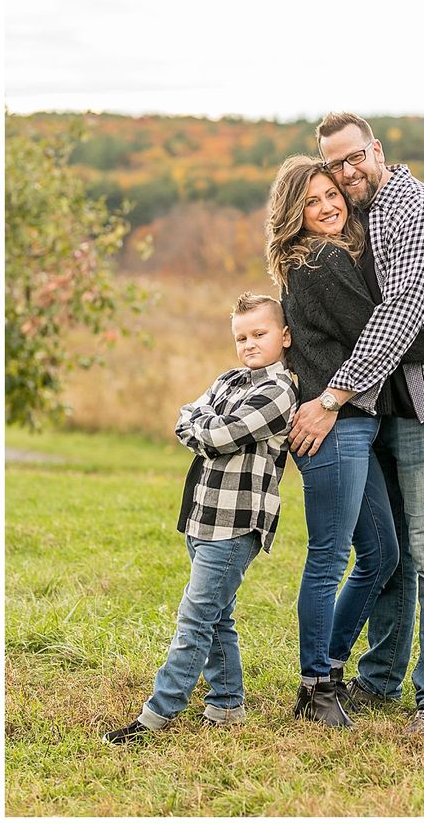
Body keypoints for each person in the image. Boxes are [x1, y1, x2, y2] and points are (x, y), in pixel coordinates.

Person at [266, 155, 424, 728]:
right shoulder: (322, 260)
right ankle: (318, 683)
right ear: (291, 213)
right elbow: (384, 330)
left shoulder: (317, 259)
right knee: (333, 557)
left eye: (332, 194)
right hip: (334, 426)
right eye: (311, 201)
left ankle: (331, 668)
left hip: (355, 424)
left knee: (383, 555)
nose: (328, 206)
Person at [102, 293, 297, 744]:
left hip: (236, 525)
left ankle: (158, 713)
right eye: (241, 337)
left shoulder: (279, 391)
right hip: (202, 516)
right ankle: (227, 705)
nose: (249, 344)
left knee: (194, 619)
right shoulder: (229, 380)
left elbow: (216, 432)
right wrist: (201, 424)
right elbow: (184, 417)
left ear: (284, 336)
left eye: (259, 335)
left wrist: (202, 424)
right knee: (217, 616)